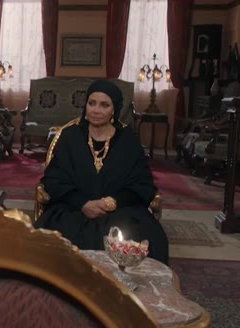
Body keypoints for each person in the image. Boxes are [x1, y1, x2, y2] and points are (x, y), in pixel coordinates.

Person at [34, 80, 169, 264]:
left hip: (120, 211)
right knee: (51, 242)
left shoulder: (128, 140)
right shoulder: (70, 136)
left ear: (114, 110)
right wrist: (83, 203)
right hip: (74, 209)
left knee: (141, 235)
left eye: (104, 105)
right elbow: (53, 180)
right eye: (92, 103)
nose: (96, 110)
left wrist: (110, 203)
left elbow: (142, 185)